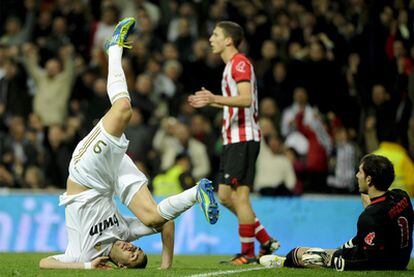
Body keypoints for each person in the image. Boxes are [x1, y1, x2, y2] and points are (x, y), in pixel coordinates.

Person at [39, 17, 219, 270]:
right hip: (110, 174)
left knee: (123, 109)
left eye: (131, 256)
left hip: (85, 176)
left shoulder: (83, 253)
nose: (132, 249)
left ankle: (113, 49)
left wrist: (88, 267)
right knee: (152, 215)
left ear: (119, 266)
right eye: (138, 252)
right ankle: (197, 192)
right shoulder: (126, 232)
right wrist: (165, 264)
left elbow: (45, 264)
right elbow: (166, 221)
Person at [188, 21, 279, 264]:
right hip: (232, 139)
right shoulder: (230, 66)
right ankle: (265, 239)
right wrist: (211, 102)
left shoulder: (239, 63)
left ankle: (247, 253)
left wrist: (215, 97)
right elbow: (234, 100)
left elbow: (246, 99)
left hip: (244, 138)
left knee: (240, 198)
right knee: (226, 196)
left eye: (215, 34)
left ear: (228, 40)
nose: (210, 39)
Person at [260, 154, 413, 271]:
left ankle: (283, 262)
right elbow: (384, 222)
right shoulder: (402, 196)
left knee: (299, 253)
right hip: (401, 258)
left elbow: (369, 262)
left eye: (360, 172)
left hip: (382, 261)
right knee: (338, 249)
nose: (356, 176)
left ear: (369, 180)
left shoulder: (369, 218)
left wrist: (341, 263)